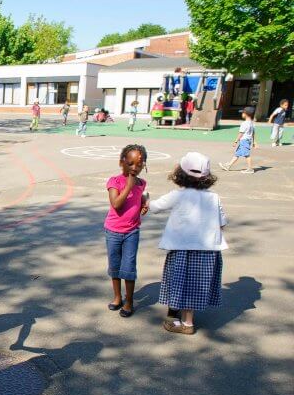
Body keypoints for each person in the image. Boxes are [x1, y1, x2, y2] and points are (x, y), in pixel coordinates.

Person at [147, 153, 227, 335]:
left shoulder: (178, 195)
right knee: (196, 283)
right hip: (207, 250)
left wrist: (145, 199)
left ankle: (187, 323)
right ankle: (186, 318)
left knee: (182, 282)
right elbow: (222, 222)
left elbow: (155, 207)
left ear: (180, 174)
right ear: (206, 177)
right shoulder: (214, 197)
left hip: (183, 247)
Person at [104, 144, 149, 318]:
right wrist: (128, 186)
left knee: (129, 268)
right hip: (113, 231)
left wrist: (144, 203)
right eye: (130, 164)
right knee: (115, 266)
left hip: (132, 231)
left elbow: (140, 197)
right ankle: (117, 297)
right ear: (121, 162)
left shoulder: (141, 183)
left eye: (139, 164)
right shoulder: (115, 181)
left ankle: (129, 301)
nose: (134, 168)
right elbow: (116, 204)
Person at [220, 106, 256, 174]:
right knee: (237, 154)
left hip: (244, 141)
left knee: (246, 155)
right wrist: (254, 142)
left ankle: (250, 169)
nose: (242, 114)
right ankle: (228, 166)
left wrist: (236, 141)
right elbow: (253, 133)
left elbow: (241, 133)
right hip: (247, 140)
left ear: (246, 114)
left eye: (243, 113)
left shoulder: (244, 123)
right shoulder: (252, 123)